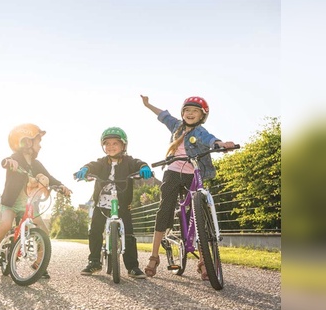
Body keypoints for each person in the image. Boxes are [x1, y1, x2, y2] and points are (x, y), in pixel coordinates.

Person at [140, 95, 236, 280]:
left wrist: (222, 145)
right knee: (165, 209)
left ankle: (203, 260)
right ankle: (154, 257)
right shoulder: (176, 126)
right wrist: (148, 104)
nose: (190, 114)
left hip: (194, 173)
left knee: (198, 212)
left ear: (202, 116)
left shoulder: (200, 132)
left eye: (195, 111)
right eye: (187, 110)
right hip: (173, 172)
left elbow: (211, 140)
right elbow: (163, 116)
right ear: (182, 113)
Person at [0, 123, 72, 279]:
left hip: (29, 204)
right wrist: (9, 163)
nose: (40, 146)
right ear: (27, 142)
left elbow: (49, 177)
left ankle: (39, 263)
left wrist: (61, 186)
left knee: (44, 231)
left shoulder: (36, 164)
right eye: (38, 142)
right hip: (11, 203)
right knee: (6, 224)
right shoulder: (16, 158)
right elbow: (7, 160)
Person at [74, 127, 152, 279]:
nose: (111, 146)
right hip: (102, 203)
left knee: (128, 233)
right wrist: (85, 169)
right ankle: (94, 261)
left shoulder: (129, 161)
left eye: (115, 143)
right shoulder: (101, 162)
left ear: (123, 145)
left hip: (122, 204)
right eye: (107, 143)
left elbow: (138, 163)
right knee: (95, 230)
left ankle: (132, 267)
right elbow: (92, 165)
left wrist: (143, 167)